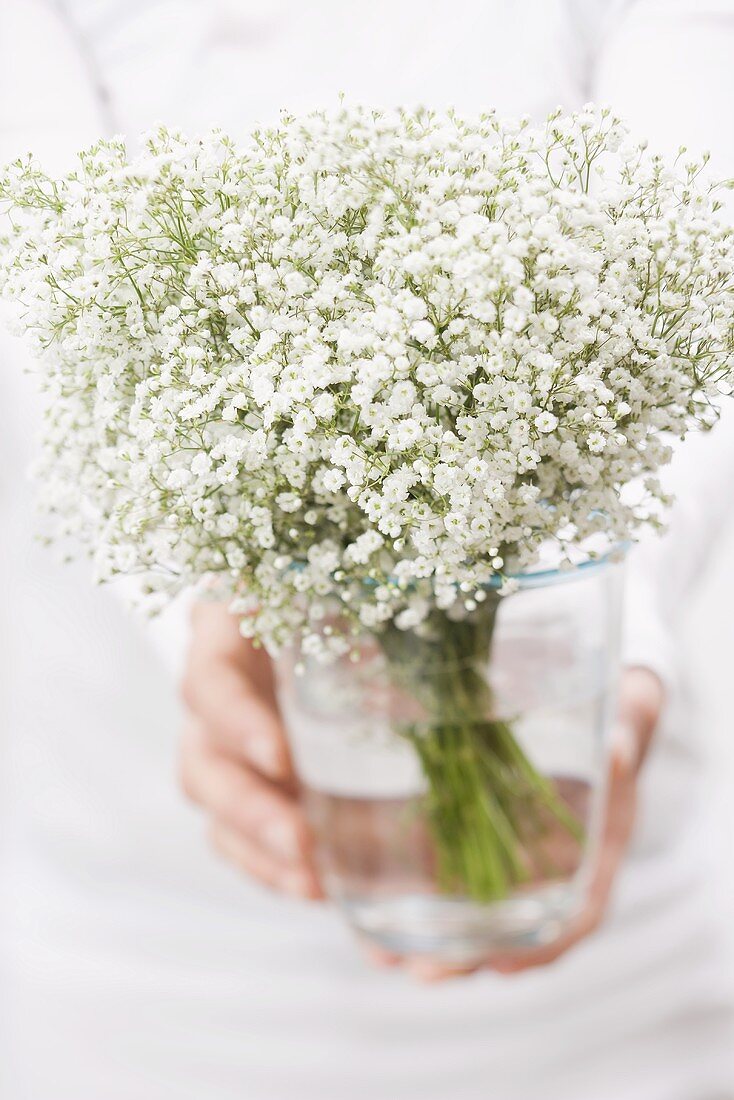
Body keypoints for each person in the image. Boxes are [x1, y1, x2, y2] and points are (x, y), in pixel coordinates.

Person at [2, 2, 733, 1097]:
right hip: (134, 975)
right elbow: (49, 295)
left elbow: (691, 224)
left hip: (632, 989)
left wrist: (608, 649)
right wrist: (229, 594)